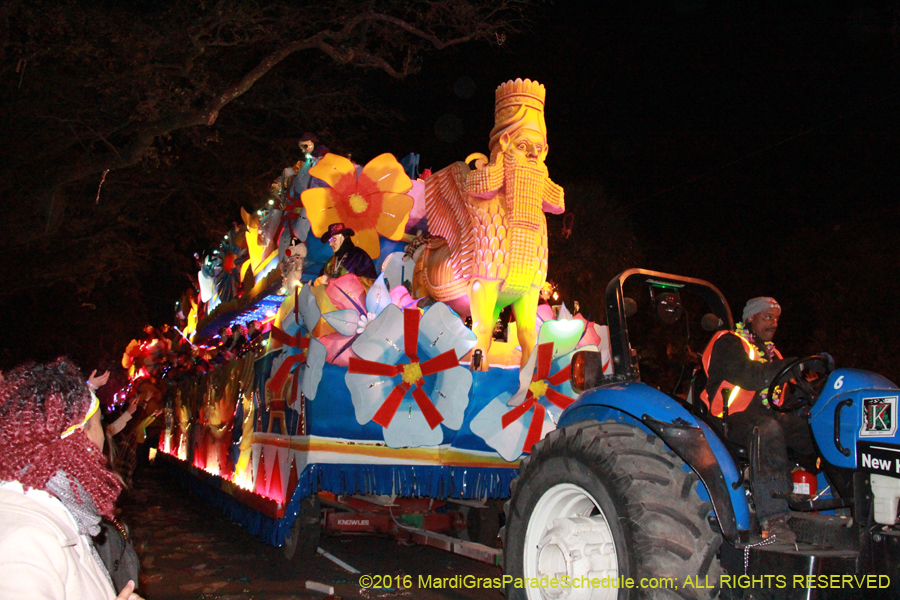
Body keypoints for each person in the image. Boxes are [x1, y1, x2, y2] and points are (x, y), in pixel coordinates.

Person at [0, 358, 143, 600]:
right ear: (79, 437)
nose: (103, 438)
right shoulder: (24, 540)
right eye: (98, 423)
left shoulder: (63, 509)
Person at [701, 297, 816, 543]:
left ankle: (836, 503)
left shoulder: (774, 354)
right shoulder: (730, 342)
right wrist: (792, 365)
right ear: (750, 318)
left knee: (816, 428)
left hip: (768, 417)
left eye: (776, 318)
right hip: (730, 421)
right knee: (767, 428)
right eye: (767, 317)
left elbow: (793, 389)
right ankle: (774, 518)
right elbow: (751, 376)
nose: (773, 323)